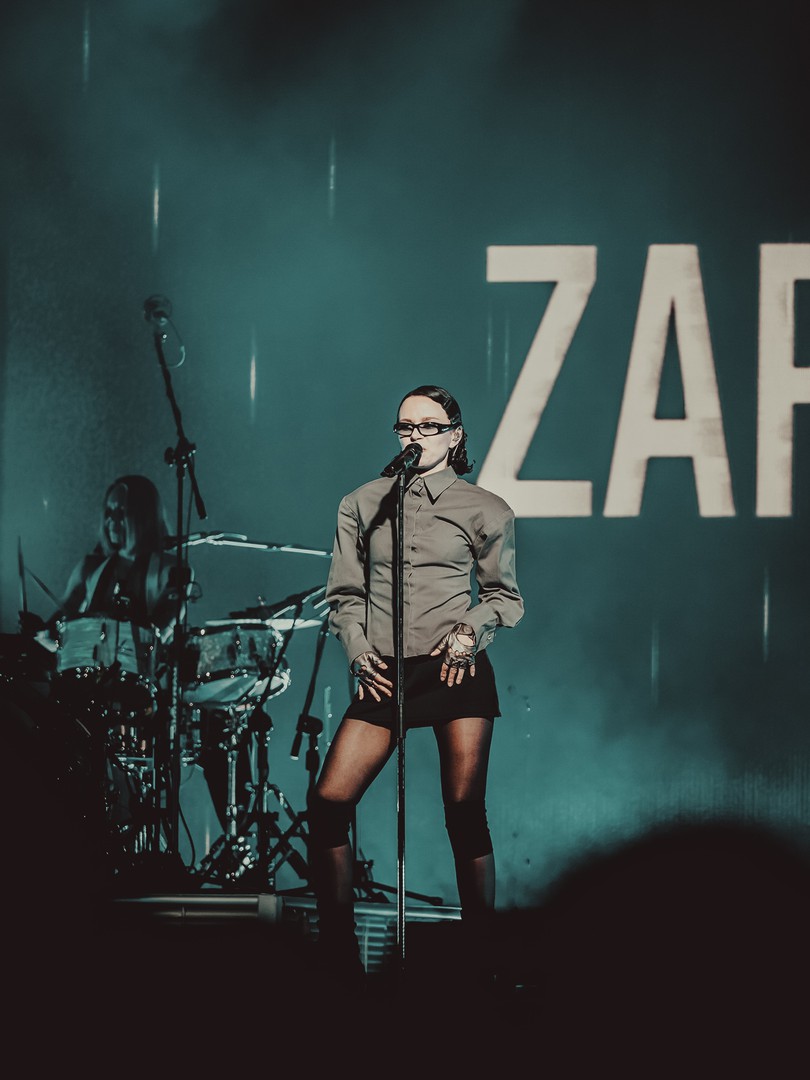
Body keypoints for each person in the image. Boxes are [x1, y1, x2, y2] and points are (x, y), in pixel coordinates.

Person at [308, 384, 524, 979]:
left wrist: (471, 630)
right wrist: (357, 650)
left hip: (454, 666)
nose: (416, 436)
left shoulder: (486, 508)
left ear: (455, 436)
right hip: (383, 670)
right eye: (406, 426)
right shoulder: (362, 503)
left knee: (464, 810)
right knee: (327, 805)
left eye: (430, 426)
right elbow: (344, 593)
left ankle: (481, 956)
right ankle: (338, 955)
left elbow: (505, 598)